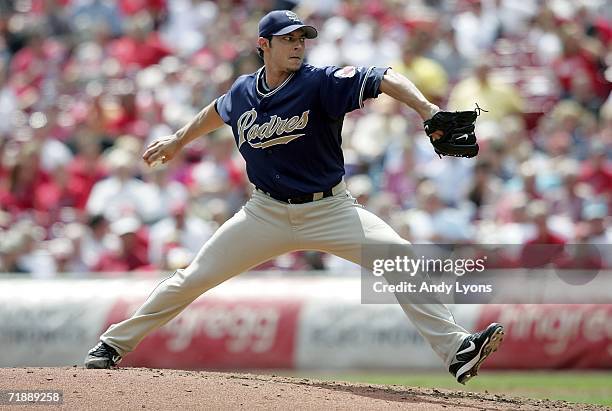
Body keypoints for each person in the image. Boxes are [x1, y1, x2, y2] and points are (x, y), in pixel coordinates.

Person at [84, 10, 504, 384]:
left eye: (302, 38)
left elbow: (381, 76)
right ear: (263, 45)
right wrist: (178, 140)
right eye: (288, 39)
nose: (298, 46)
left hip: (331, 209)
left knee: (399, 258)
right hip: (264, 212)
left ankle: (457, 352)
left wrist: (428, 111)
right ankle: (112, 345)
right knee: (192, 278)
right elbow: (218, 109)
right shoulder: (244, 91)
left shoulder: (319, 82)